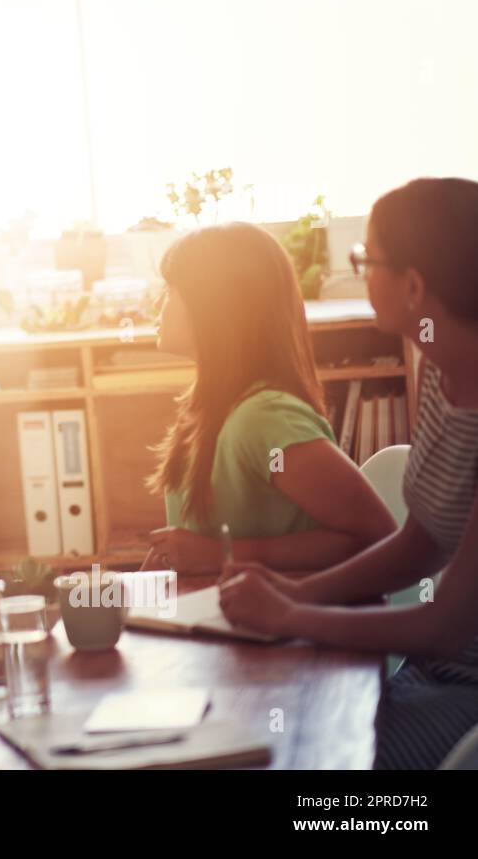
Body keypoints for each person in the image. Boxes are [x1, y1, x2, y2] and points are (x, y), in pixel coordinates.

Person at [220, 178, 478, 769]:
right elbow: (422, 539)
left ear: (414, 286)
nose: (360, 271)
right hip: (439, 669)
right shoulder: (441, 369)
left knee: (304, 763)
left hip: (467, 691)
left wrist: (291, 617)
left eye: (367, 259)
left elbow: (445, 623)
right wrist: (299, 593)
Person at [143, 222, 396, 575]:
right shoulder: (206, 410)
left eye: (171, 290)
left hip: (284, 624)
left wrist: (222, 555)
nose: (157, 302)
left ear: (214, 309)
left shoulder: (263, 417)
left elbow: (378, 536)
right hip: (221, 614)